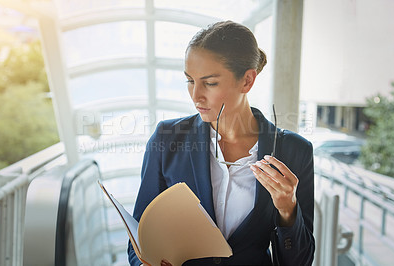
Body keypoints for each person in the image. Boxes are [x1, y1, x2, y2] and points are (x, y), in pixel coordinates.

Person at [128, 20, 315, 266]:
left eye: (210, 83)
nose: (196, 96)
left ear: (247, 81)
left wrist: (288, 209)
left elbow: (298, 261)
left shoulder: (294, 151)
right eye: (190, 81)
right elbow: (139, 236)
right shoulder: (167, 139)